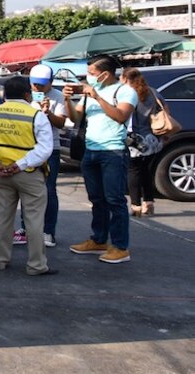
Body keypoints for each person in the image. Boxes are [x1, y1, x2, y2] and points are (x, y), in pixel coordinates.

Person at [0, 76, 56, 275]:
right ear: (28, 94)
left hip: (0, 173)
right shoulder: (36, 115)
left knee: (1, 217)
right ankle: (36, 265)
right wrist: (20, 165)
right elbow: (45, 149)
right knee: (34, 220)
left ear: (4, 94)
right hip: (29, 174)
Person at [64, 54, 136, 264]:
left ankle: (120, 247)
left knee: (115, 199)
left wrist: (97, 97)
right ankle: (99, 239)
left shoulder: (125, 91)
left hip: (113, 151)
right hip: (91, 150)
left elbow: (120, 116)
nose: (88, 76)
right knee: (97, 199)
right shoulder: (90, 91)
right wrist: (67, 100)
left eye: (92, 72)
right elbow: (75, 118)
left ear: (104, 74)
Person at [28, 64, 68, 248]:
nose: (37, 87)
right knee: (27, 188)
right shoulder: (26, 95)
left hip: (50, 148)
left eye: (42, 84)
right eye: (34, 83)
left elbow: (61, 123)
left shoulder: (57, 96)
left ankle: (48, 231)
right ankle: (26, 228)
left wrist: (47, 112)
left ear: (51, 82)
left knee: (49, 189)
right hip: (27, 147)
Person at [121, 68, 166, 218]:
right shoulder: (153, 92)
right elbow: (165, 110)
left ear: (125, 79)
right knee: (146, 170)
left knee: (133, 171)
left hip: (135, 140)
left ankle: (136, 205)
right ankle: (149, 203)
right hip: (152, 138)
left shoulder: (128, 94)